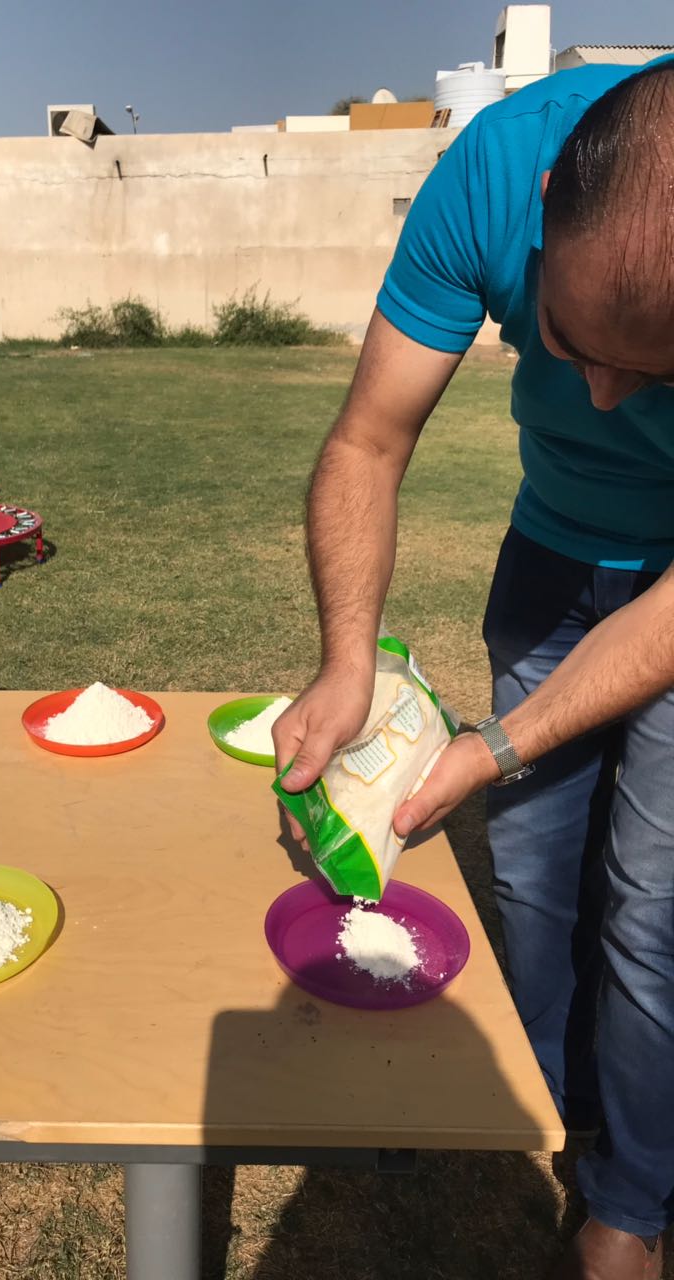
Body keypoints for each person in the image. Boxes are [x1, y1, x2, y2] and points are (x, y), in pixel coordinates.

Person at [272, 59, 674, 1280]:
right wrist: (348, 661)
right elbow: (368, 439)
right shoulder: (494, 173)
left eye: (655, 372)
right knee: (537, 875)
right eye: (570, 341)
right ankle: (550, 1108)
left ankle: (630, 1206)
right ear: (546, 209)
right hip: (551, 552)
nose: (600, 401)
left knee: (653, 902)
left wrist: (493, 746)